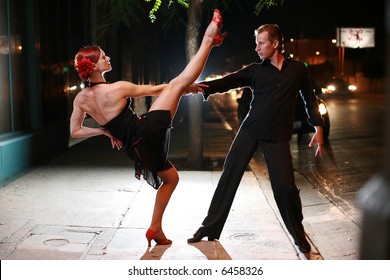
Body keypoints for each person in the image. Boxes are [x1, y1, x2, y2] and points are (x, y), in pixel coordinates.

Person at [70, 9, 226, 247]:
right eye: (103, 57)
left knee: (171, 178)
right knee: (177, 82)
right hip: (145, 132)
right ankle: (208, 40)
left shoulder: (81, 99)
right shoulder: (117, 88)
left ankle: (156, 229)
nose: (108, 58)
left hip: (136, 149)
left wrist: (103, 130)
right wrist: (185, 88)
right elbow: (157, 89)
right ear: (93, 66)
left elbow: (75, 131)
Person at [187, 23, 324, 254]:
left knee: (286, 189)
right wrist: (200, 87)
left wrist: (318, 127)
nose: (257, 48)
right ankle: (209, 228)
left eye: (261, 43)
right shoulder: (255, 70)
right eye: (256, 43)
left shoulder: (298, 70)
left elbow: (309, 99)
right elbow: (228, 81)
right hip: (250, 131)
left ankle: (298, 234)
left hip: (278, 137)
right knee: (229, 177)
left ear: (276, 43)